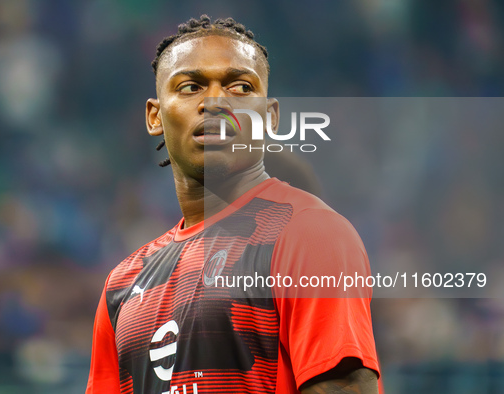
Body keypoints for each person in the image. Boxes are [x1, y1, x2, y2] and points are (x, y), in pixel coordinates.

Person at [87, 15, 380, 394]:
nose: (214, 102)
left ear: (269, 117)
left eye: (240, 87)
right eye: (190, 86)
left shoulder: (309, 233)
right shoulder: (122, 284)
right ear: (155, 116)